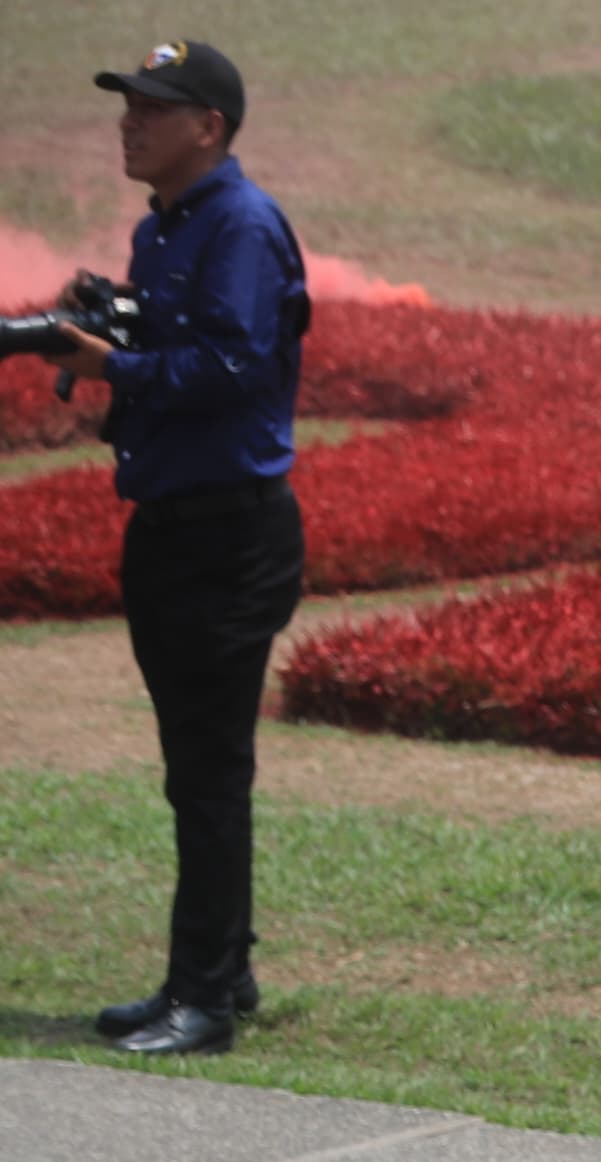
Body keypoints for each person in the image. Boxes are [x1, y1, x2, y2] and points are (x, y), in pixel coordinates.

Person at [64, 40, 307, 1061]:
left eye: (152, 109)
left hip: (228, 538)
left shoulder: (239, 226)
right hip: (170, 525)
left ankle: (201, 999)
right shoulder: (165, 227)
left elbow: (236, 367)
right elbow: (177, 361)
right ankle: (220, 971)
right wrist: (110, 389)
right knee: (193, 771)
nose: (129, 122)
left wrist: (118, 366)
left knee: (207, 774)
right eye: (126, 105)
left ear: (207, 127)